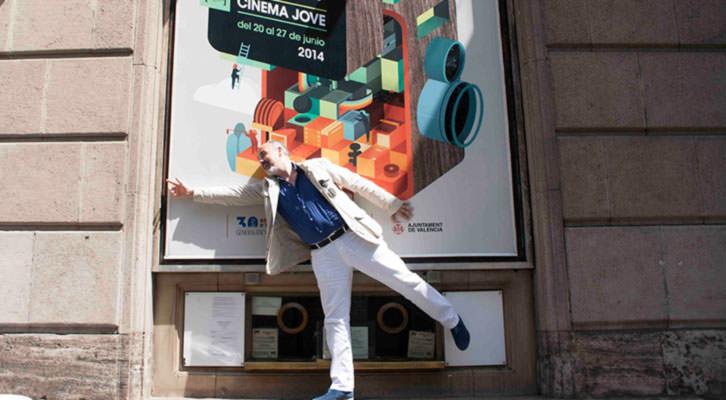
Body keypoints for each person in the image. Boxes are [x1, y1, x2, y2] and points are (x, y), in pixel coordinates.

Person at [167, 140, 470, 400]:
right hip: (323, 254)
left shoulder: (318, 167)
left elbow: (356, 183)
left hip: (354, 238)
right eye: (260, 158)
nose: (261, 160)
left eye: (265, 155)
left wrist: (391, 204)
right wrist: (192, 192)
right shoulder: (267, 189)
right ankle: (343, 388)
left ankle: (452, 319)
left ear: (282, 152)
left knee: (406, 281)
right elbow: (233, 195)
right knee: (335, 318)